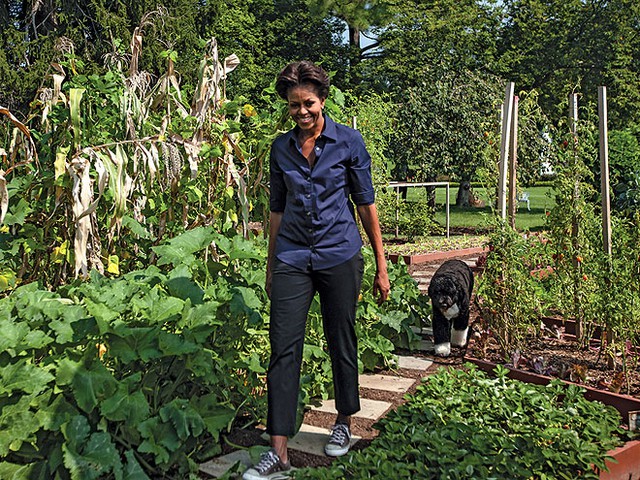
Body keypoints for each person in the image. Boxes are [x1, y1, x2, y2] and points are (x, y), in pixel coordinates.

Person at [242, 61, 390, 480]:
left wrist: (381, 266)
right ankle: (279, 454)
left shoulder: (348, 142)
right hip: (292, 257)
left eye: (308, 103)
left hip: (339, 254)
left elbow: (365, 205)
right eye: (294, 106)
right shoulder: (280, 149)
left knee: (340, 337)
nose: (301, 112)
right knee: (282, 347)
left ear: (322, 100)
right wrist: (271, 266)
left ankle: (343, 421)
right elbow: (276, 210)